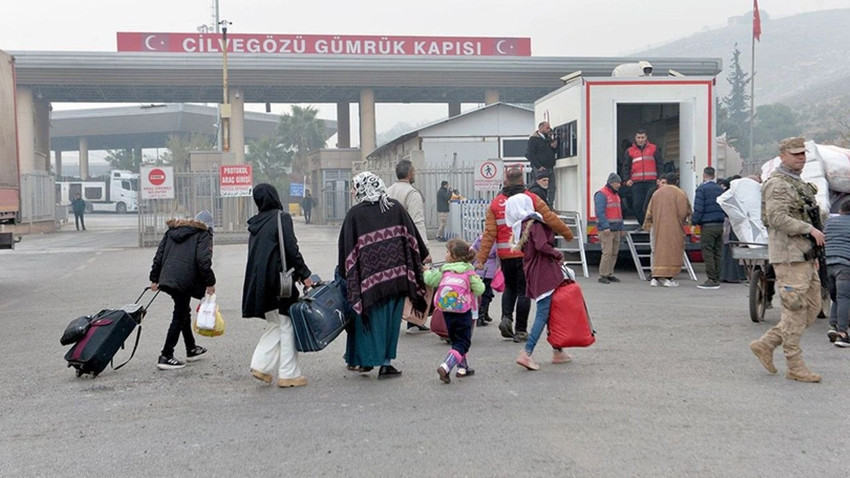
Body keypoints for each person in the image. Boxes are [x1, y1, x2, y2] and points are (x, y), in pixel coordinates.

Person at [749, 136, 825, 383]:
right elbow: (777, 217)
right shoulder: (778, 184)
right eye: (795, 154)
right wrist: (809, 230)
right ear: (782, 156)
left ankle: (767, 343)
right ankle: (794, 364)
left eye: (803, 153)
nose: (800, 157)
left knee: (812, 308)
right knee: (794, 309)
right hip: (789, 255)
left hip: (804, 254)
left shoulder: (799, 183)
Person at [339, 171, 429, 378]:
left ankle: (366, 360)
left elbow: (345, 248)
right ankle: (386, 363)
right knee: (391, 321)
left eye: (355, 187)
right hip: (396, 278)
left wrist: (345, 273)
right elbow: (412, 235)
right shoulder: (395, 208)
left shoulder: (355, 214)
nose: (353, 192)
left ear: (362, 187)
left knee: (367, 319)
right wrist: (423, 256)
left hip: (367, 282)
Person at [474, 166, 573, 343]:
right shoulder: (532, 198)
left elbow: (489, 234)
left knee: (510, 287)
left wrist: (481, 258)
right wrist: (567, 234)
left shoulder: (495, 204)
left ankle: (506, 318)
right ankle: (520, 330)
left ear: (506, 181)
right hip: (525, 254)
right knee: (523, 291)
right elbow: (550, 218)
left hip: (505, 254)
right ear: (522, 180)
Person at [243, 184, 314, 388]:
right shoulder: (280, 218)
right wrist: (304, 274)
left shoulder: (256, 223)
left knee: (278, 323)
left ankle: (262, 366)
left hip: (259, 282)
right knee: (286, 324)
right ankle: (288, 374)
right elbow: (291, 249)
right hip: (278, 281)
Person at [504, 194, 572, 370]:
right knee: (543, 313)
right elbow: (542, 246)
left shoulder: (519, 226)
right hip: (544, 272)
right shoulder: (534, 223)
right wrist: (558, 254)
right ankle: (527, 352)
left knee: (549, 311)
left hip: (533, 270)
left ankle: (558, 350)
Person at [149, 210, 216, 370]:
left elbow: (159, 255)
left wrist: (154, 277)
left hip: (169, 277)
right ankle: (166, 355)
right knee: (179, 314)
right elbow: (203, 261)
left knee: (183, 310)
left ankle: (191, 348)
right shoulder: (203, 234)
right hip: (184, 280)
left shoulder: (172, 231)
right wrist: (210, 282)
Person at [425, 238, 485, 383]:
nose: (445, 254)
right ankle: (446, 366)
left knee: (456, 340)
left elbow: (430, 281)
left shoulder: (444, 270)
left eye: (447, 252)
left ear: (453, 256)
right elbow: (480, 289)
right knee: (463, 342)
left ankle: (462, 367)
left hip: (447, 311)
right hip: (463, 312)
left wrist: (426, 272)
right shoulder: (468, 271)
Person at [385, 159, 431, 334]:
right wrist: (424, 249)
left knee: (394, 283)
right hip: (409, 245)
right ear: (410, 173)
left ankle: (394, 319)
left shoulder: (387, 192)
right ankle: (414, 320)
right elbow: (417, 222)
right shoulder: (412, 194)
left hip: (390, 245)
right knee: (415, 282)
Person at [644, 173, 691, 287]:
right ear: (676, 182)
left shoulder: (657, 193)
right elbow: (684, 212)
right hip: (673, 228)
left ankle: (655, 277)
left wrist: (648, 224)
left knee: (657, 250)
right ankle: (668, 278)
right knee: (671, 252)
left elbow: (649, 211)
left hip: (657, 227)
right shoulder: (680, 193)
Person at [621, 129, 664, 226]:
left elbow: (660, 164)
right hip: (637, 183)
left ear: (646, 138)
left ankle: (651, 224)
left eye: (642, 137)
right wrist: (627, 179)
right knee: (637, 205)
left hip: (651, 182)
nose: (641, 140)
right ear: (635, 138)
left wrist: (660, 178)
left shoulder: (653, 148)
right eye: (639, 138)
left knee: (650, 204)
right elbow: (626, 167)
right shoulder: (630, 151)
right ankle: (644, 225)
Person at [692, 167, 726, 290]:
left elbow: (699, 208)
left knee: (708, 252)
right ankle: (717, 276)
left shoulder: (701, 189)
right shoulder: (720, 189)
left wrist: (694, 222)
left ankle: (711, 279)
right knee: (718, 251)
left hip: (708, 225)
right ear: (714, 175)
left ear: (704, 175)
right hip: (719, 225)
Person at [825, 198, 850, 347]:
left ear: (840, 211)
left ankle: (833, 326)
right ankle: (843, 334)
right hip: (845, 265)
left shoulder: (829, 222)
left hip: (827, 265)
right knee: (844, 297)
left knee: (837, 298)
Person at [594, 173, 624, 284]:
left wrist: (621, 227)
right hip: (607, 230)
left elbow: (619, 213)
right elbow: (600, 212)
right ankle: (603, 275)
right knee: (607, 252)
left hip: (615, 228)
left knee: (614, 252)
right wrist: (605, 226)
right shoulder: (601, 194)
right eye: (617, 183)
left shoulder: (616, 195)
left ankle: (610, 273)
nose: (619, 185)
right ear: (611, 182)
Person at [717, 178, 748, 284]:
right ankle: (735, 275)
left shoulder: (728, 195)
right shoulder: (742, 196)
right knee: (734, 251)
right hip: (737, 226)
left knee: (727, 250)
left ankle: (726, 274)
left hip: (729, 225)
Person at [525, 121, 558, 206]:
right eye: (547, 128)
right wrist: (538, 166)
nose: (548, 130)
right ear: (541, 128)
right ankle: (538, 205)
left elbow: (552, 152)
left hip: (550, 166)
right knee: (539, 187)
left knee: (552, 187)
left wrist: (554, 147)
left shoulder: (548, 139)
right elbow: (529, 154)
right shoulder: (533, 139)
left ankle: (550, 206)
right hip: (540, 168)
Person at [471, 233, 498, 326]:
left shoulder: (479, 239)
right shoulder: (495, 241)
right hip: (490, 271)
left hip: (478, 269)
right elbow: (497, 256)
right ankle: (481, 315)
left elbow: (472, 251)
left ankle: (484, 313)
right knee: (487, 294)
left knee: (482, 293)